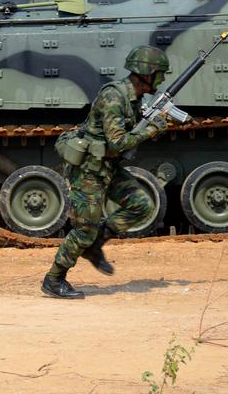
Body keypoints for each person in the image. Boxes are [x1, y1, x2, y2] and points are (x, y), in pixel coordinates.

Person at [42, 45, 170, 299]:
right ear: (147, 73)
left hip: (108, 168)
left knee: (141, 204)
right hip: (89, 171)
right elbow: (117, 143)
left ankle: (97, 241)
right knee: (83, 230)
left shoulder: (134, 99)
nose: (162, 80)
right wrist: (152, 129)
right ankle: (54, 279)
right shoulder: (114, 97)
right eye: (160, 75)